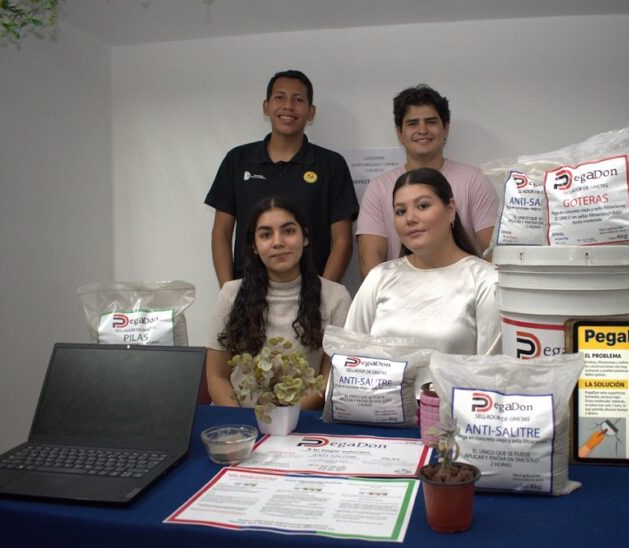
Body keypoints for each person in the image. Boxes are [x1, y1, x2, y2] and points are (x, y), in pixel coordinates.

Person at [345, 168, 501, 391]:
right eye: (400, 211)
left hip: (454, 411)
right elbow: (349, 359)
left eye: (423, 206)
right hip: (378, 409)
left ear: (450, 210)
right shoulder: (379, 277)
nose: (410, 218)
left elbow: (491, 374)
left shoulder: (485, 280)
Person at [205, 70, 359, 287]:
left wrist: (322, 294)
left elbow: (342, 241)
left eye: (298, 99)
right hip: (248, 292)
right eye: (280, 97)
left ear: (311, 111)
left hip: (310, 292)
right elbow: (221, 233)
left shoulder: (331, 165)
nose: (288, 106)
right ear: (266, 107)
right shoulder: (237, 160)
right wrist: (228, 291)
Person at [206, 196, 351, 409]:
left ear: (305, 238)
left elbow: (329, 380)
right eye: (266, 235)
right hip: (237, 418)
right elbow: (217, 376)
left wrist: (282, 420)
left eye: (288, 231)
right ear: (254, 246)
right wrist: (242, 421)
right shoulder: (230, 294)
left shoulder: (336, 297)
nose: (278, 242)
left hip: (303, 419)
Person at [356, 84, 499, 278]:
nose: (422, 130)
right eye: (412, 123)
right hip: (399, 291)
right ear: (400, 133)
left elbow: (494, 254)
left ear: (445, 128)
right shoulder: (378, 188)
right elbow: (370, 259)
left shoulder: (474, 181)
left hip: (465, 290)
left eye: (430, 122)